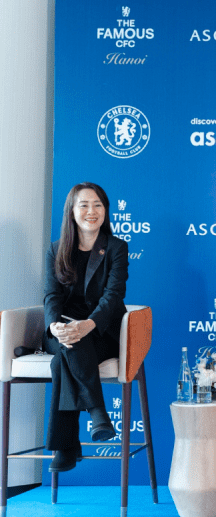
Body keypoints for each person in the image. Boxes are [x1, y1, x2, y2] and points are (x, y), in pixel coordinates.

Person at [43, 183, 127, 472]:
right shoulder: (56, 249)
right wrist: (55, 326)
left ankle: (66, 447)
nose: (92, 211)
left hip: (101, 331)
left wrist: (88, 324)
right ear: (72, 211)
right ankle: (98, 412)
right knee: (68, 343)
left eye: (98, 205)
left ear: (105, 210)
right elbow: (51, 296)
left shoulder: (116, 248)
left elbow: (113, 296)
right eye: (84, 205)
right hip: (62, 330)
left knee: (60, 362)